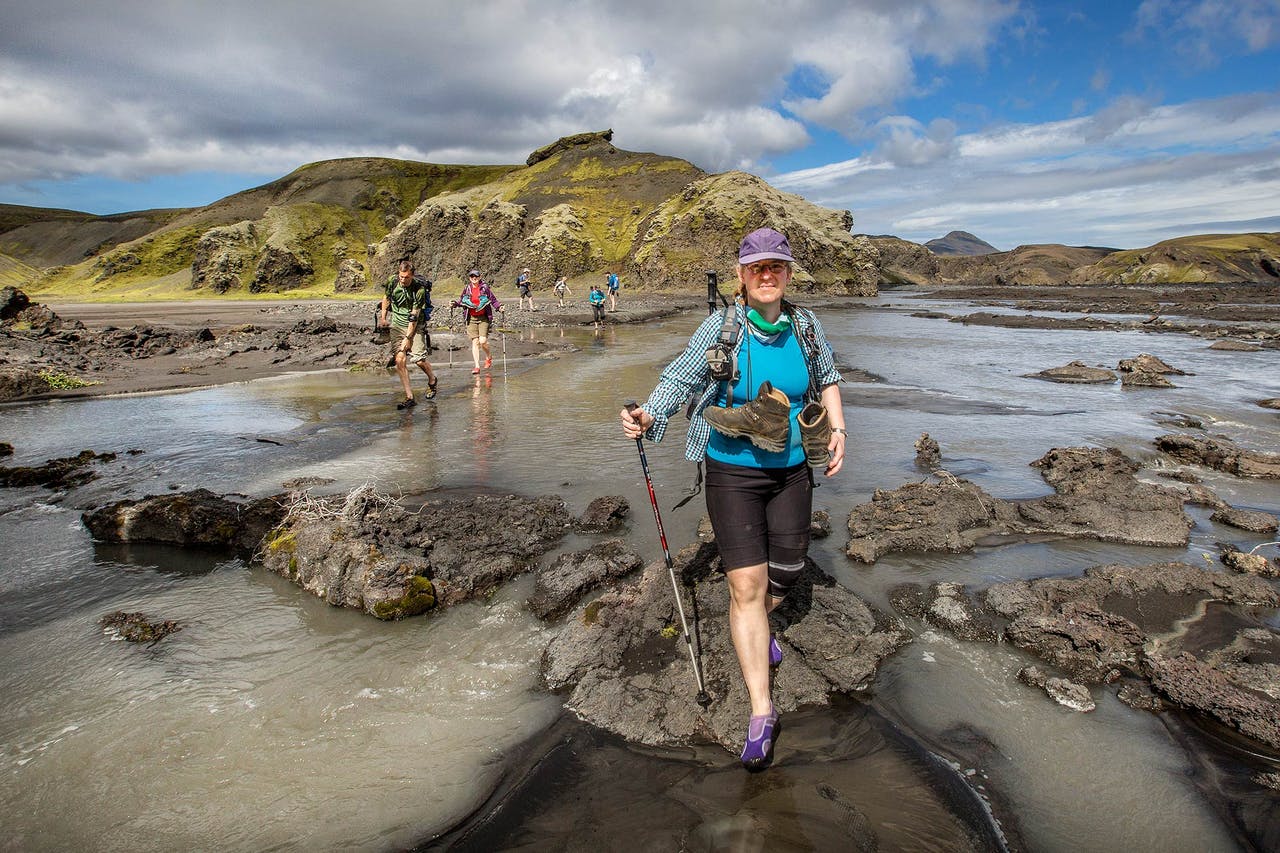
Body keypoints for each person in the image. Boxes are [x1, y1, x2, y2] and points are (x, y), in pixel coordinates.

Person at [618, 227, 846, 771]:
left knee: (787, 572)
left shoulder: (807, 325)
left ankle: (762, 627)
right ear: (742, 276)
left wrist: (838, 431)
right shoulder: (722, 328)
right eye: (757, 268)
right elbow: (679, 377)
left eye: (777, 267)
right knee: (747, 585)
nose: (768, 275)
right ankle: (761, 711)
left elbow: (830, 378)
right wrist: (650, 415)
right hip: (732, 470)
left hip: (793, 470)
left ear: (788, 273)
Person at [379, 260, 437, 410]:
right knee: (399, 359)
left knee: (418, 359)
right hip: (397, 323)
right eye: (401, 276)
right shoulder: (392, 281)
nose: (403, 280)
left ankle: (432, 379)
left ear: (412, 276)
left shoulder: (419, 290)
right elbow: (386, 298)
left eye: (406, 277)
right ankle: (409, 397)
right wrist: (383, 317)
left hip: (416, 325)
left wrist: (408, 338)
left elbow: (414, 316)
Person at [453, 270, 503, 374]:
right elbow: (461, 301)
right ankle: (477, 366)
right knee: (475, 342)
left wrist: (499, 307)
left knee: (483, 341)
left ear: (479, 277)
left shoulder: (484, 288)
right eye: (471, 276)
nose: (474, 278)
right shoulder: (467, 289)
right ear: (469, 278)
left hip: (483, 317)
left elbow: (493, 300)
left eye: (476, 276)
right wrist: (455, 304)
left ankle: (489, 356)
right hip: (471, 318)